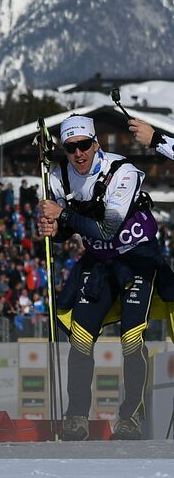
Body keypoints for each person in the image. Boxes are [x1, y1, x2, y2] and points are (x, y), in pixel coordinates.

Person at [41, 115, 160, 440]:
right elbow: (68, 231)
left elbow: (108, 228)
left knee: (131, 339)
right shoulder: (57, 176)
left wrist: (63, 215)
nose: (79, 154)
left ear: (96, 144)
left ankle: (131, 417)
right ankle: (76, 415)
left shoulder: (121, 171)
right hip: (100, 261)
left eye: (84, 145)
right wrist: (54, 228)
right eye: (71, 148)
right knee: (80, 338)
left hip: (137, 259)